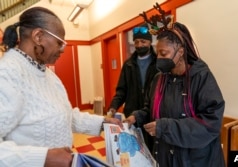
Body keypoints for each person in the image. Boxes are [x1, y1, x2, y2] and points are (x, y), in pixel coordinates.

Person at [0, 7, 122, 167]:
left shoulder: (47, 74)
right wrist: (43, 158)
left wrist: (102, 123)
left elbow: (66, 115)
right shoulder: (7, 74)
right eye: (59, 42)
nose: (63, 49)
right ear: (38, 36)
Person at [125, 4, 226, 167]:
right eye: (157, 52)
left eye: (163, 53)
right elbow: (149, 109)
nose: (158, 58)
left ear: (180, 52)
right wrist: (136, 117)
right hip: (166, 157)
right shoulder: (159, 79)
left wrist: (165, 128)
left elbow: (211, 123)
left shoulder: (201, 77)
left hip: (196, 161)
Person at [107, 23, 158, 151]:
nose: (139, 45)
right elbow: (121, 90)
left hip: (152, 115)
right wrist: (113, 107)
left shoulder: (158, 63)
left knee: (152, 151)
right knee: (135, 151)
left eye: (143, 41)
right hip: (131, 117)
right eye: (136, 42)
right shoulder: (128, 64)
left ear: (150, 42)